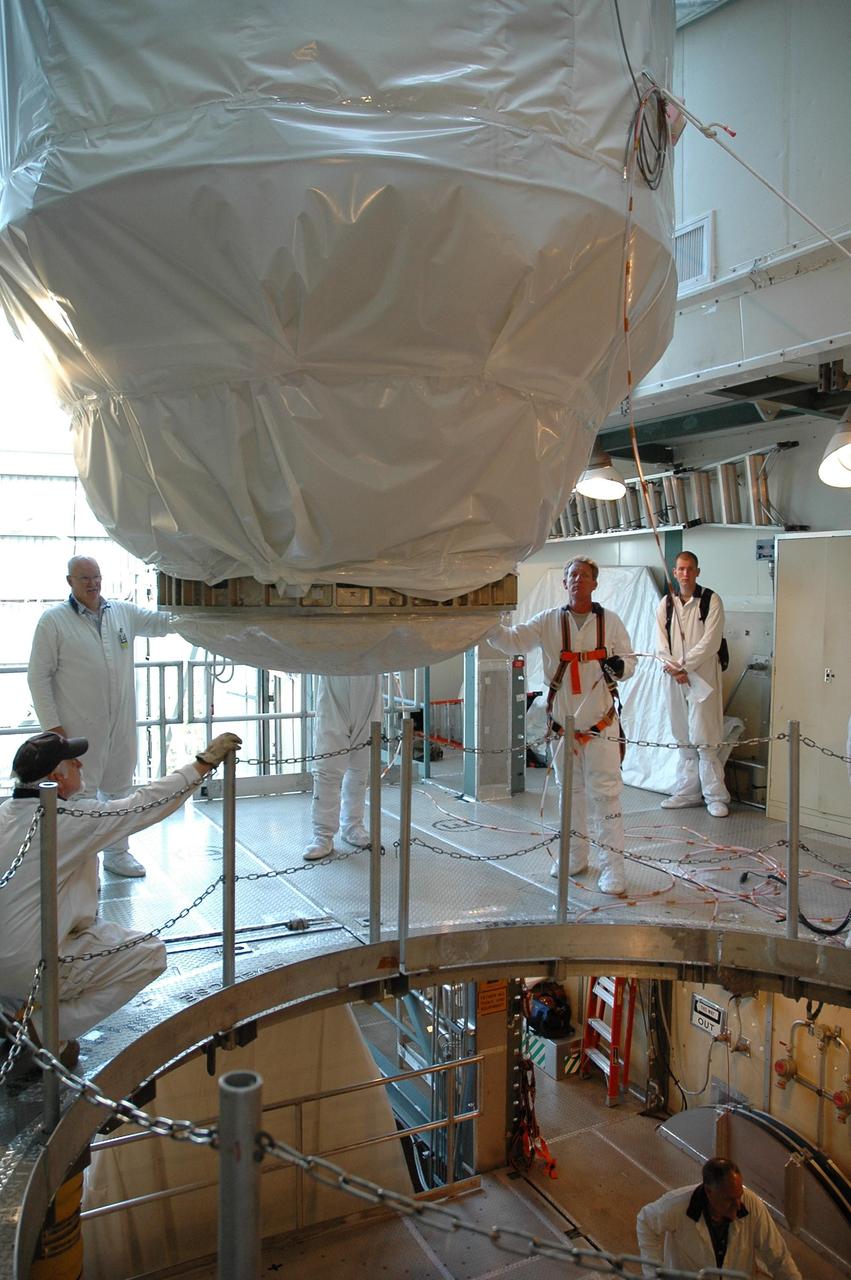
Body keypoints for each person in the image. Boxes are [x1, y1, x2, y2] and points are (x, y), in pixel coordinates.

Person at [0, 729, 241, 1071]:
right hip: (34, 967)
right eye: (73, 760)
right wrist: (200, 766)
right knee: (150, 955)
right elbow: (142, 806)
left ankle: (14, 1010)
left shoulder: (6, 814)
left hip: (4, 968)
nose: (80, 764)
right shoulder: (67, 820)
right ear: (57, 776)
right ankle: (46, 1028)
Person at [488, 558, 635, 894]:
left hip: (601, 728)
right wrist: (487, 623)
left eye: (584, 576)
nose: (577, 581)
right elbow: (512, 641)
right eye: (571, 575)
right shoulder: (548, 622)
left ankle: (614, 868)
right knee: (569, 796)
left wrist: (620, 666)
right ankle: (574, 857)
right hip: (563, 731)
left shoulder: (609, 622)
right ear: (564, 583)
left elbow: (631, 661)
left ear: (594, 584)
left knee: (606, 797)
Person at [27, 554, 175, 877]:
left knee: (120, 788)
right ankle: (81, 865)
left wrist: (198, 615)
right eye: (84, 578)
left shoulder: (121, 612)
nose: (93, 583)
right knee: (81, 796)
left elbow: (161, 623)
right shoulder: (53, 622)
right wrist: (54, 730)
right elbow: (37, 677)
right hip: (78, 728)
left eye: (96, 577)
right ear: (70, 582)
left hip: (120, 723)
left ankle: (117, 854)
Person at [655, 551, 731, 818]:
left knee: (705, 735)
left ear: (697, 571)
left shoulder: (711, 601)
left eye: (690, 569)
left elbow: (710, 642)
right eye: (680, 569)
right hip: (674, 679)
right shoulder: (665, 604)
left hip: (703, 677)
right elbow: (661, 644)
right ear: (674, 573)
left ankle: (714, 795)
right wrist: (675, 669)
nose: (685, 574)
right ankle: (687, 792)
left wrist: (685, 666)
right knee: (682, 734)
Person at [636, 1156, 802, 1279]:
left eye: (739, 1196)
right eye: (729, 1199)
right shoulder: (678, 1206)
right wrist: (653, 1274)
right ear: (709, 1191)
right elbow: (645, 1221)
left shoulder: (751, 1205)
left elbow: (778, 1257)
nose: (738, 1205)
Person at [303, 674, 384, 862]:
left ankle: (353, 825)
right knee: (327, 765)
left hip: (368, 683)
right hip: (335, 679)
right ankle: (323, 835)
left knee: (361, 763)